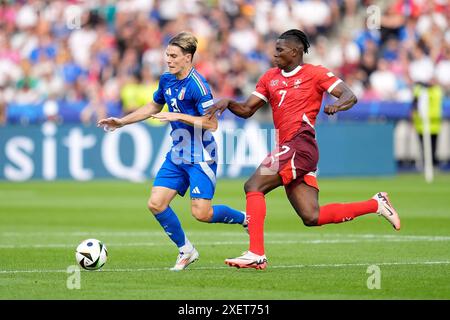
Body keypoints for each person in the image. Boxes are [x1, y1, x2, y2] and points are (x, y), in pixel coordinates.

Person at [206, 29, 401, 270]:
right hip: (288, 148)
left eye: (280, 50)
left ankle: (256, 252)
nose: (274, 54)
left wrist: (337, 105)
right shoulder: (269, 78)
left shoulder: (315, 73)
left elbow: (349, 95)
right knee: (311, 216)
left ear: (296, 51)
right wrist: (228, 102)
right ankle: (376, 204)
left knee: (253, 185)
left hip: (301, 144)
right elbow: (247, 110)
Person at [97, 32, 247, 271]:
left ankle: (244, 218)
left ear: (188, 58)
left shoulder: (199, 86)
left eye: (174, 55)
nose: (168, 59)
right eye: (167, 54)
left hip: (201, 155)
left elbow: (212, 124)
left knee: (202, 213)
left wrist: (177, 115)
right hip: (178, 153)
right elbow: (153, 106)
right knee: (156, 203)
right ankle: (186, 250)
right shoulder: (166, 79)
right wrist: (122, 122)